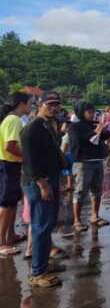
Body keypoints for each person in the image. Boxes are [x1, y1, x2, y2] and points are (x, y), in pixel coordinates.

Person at [20, 91, 66, 287]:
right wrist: (42, 183)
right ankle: (37, 273)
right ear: (40, 105)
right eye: (50, 104)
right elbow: (29, 160)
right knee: (40, 227)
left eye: (56, 104)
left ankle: (44, 263)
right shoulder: (32, 128)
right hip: (39, 182)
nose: (54, 107)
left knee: (47, 225)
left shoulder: (48, 125)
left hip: (51, 179)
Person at [69, 102, 110, 232]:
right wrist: (95, 132)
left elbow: (106, 136)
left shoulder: (94, 124)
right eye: (89, 112)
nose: (93, 115)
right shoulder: (74, 127)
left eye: (93, 112)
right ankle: (77, 220)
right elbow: (79, 141)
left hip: (97, 160)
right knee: (80, 191)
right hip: (83, 162)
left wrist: (104, 131)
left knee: (97, 189)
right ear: (82, 112)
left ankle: (95, 216)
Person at [0, 92, 30, 256]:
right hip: (8, 164)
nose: (31, 106)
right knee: (6, 205)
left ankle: (10, 235)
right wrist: (26, 158)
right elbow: (9, 146)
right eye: (29, 103)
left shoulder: (11, 119)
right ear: (21, 104)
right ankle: (1, 242)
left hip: (11, 165)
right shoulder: (13, 120)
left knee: (12, 202)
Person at [59, 121, 74, 192]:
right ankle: (70, 184)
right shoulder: (72, 135)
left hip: (67, 155)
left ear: (67, 128)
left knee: (68, 171)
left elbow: (64, 147)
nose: (62, 127)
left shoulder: (65, 137)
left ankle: (70, 185)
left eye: (63, 126)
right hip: (72, 154)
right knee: (70, 170)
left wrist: (61, 154)